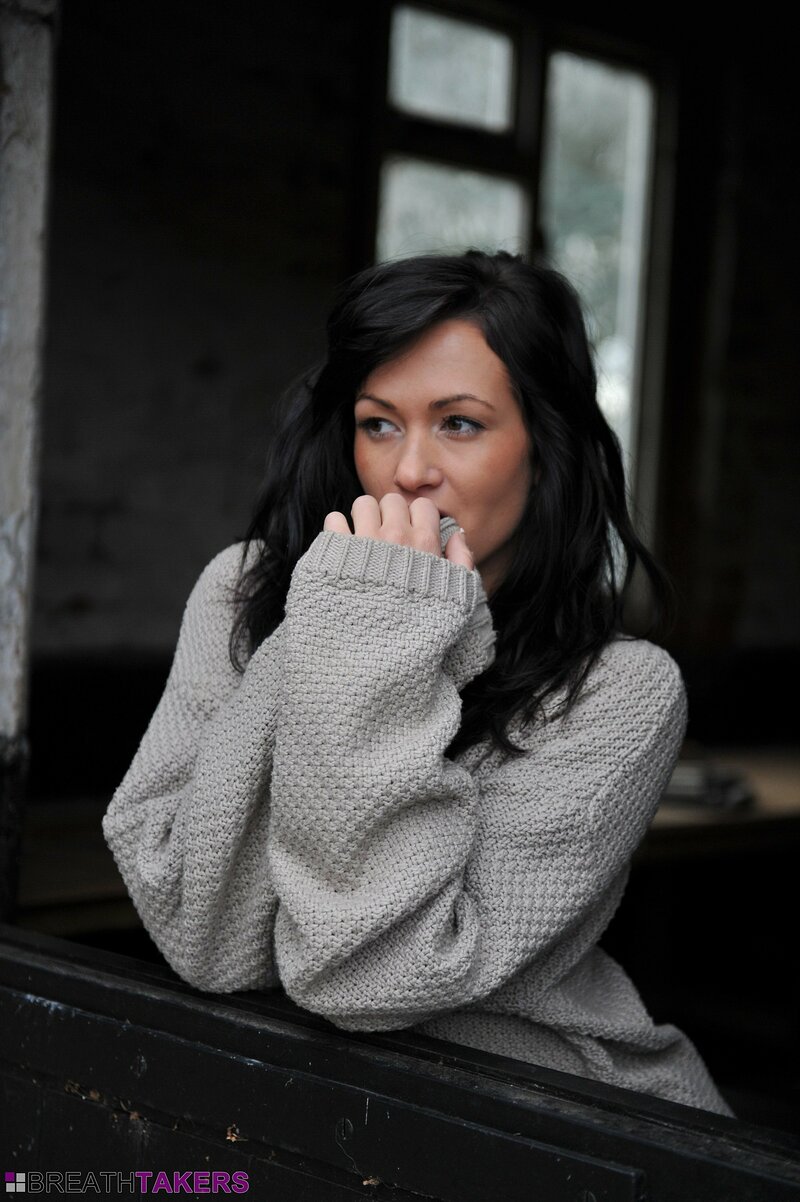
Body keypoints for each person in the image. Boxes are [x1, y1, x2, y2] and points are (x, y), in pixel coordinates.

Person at [102, 250, 732, 1117]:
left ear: (545, 449)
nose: (408, 471)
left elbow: (372, 978)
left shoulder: (619, 693)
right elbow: (203, 938)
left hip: (559, 1118)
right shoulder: (241, 596)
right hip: (296, 1113)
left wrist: (379, 628)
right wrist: (341, 617)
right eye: (378, 424)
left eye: (460, 424)